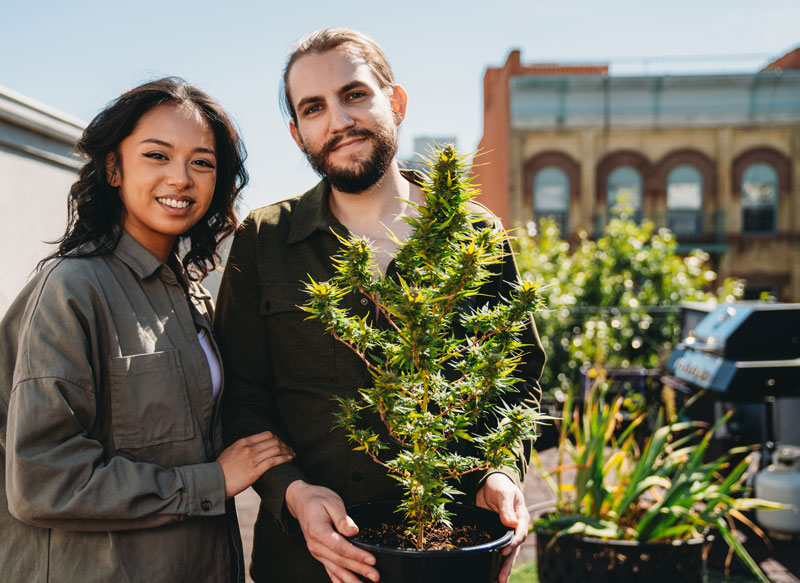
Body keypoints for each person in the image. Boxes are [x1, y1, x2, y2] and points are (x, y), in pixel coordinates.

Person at [215, 28, 545, 583]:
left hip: (452, 550)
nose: (338, 120)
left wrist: (501, 473)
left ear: (395, 102)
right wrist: (292, 493)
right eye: (314, 108)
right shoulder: (263, 239)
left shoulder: (475, 233)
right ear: (298, 135)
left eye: (354, 94)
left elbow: (518, 377)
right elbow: (240, 397)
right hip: (305, 563)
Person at [0, 78, 295, 583]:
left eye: (202, 162)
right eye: (157, 155)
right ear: (113, 167)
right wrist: (211, 481)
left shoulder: (188, 291)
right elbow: (43, 480)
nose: (181, 178)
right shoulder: (73, 287)